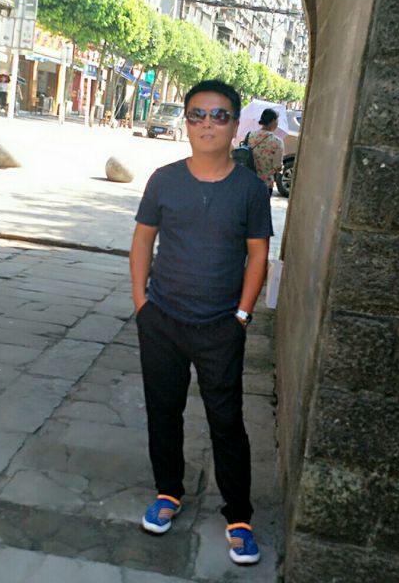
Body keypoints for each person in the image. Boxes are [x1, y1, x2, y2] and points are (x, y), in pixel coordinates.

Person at [130, 79, 272, 565]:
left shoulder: (250, 190)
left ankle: (239, 516)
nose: (207, 124)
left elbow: (258, 255)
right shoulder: (164, 180)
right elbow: (143, 241)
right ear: (186, 123)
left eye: (219, 115)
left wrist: (241, 316)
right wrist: (141, 304)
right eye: (197, 114)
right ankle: (168, 492)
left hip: (219, 327)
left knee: (226, 422)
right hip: (162, 320)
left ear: (234, 126)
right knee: (163, 412)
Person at [247, 108, 284, 195]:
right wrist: (281, 168)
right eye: (277, 120)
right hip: (265, 184)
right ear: (273, 121)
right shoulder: (277, 142)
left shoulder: (250, 136)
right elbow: (277, 167)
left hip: (248, 182)